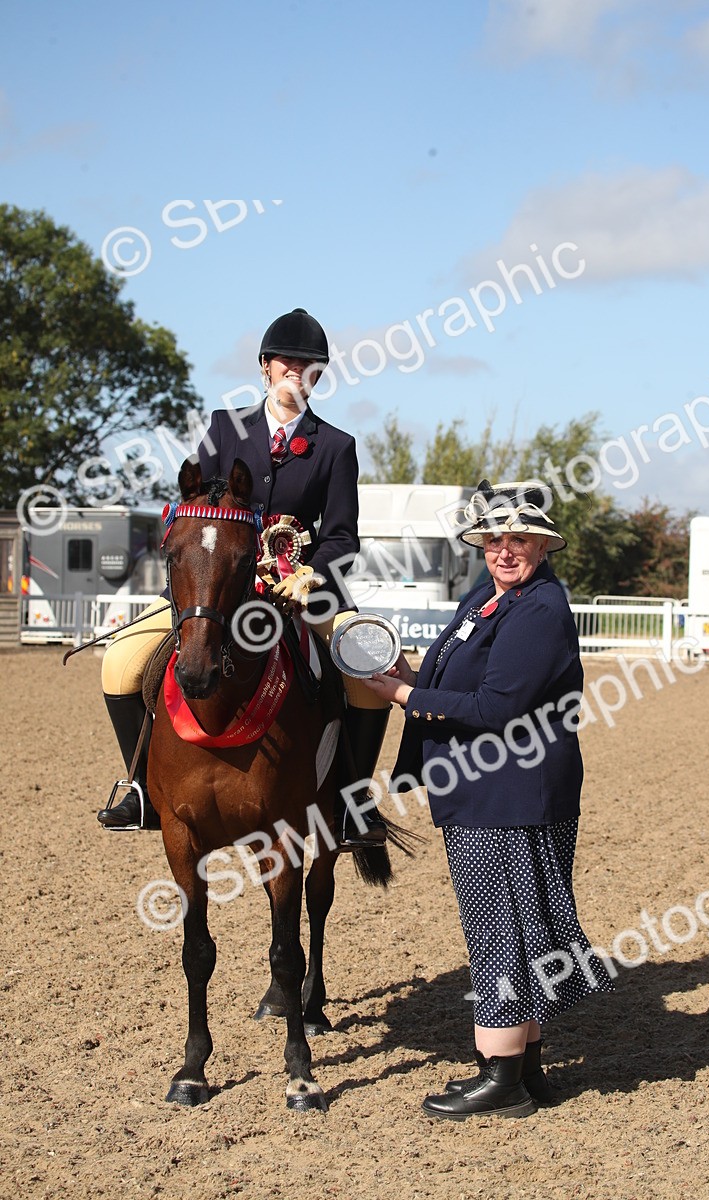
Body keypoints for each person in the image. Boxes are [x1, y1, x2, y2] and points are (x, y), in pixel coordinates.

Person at [363, 479, 614, 1120]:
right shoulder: (486, 599)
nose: (505, 550)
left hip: (511, 792)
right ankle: (524, 1072)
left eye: (519, 540)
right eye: (494, 540)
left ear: (542, 546)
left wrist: (402, 699)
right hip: (487, 791)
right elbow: (460, 676)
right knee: (517, 931)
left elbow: (496, 707)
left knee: (500, 933)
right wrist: (411, 675)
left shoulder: (539, 609)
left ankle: (500, 1075)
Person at [98, 308, 390, 846]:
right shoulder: (224, 428)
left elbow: (343, 537)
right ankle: (141, 789)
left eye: (309, 365)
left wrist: (304, 577)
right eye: (287, 362)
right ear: (264, 367)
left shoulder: (336, 446)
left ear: (319, 375)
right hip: (214, 589)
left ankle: (352, 805)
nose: (295, 372)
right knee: (120, 662)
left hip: (300, 595)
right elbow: (196, 511)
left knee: (369, 677)